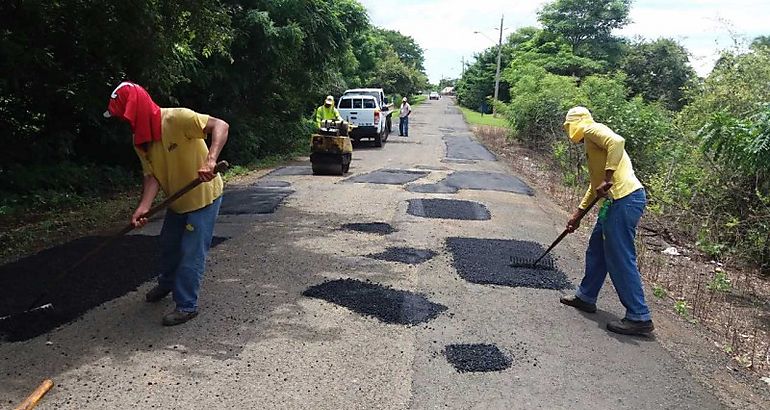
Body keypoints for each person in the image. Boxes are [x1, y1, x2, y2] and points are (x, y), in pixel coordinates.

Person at [103, 81, 229, 326]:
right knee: (169, 244)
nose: (126, 122)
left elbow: (221, 126)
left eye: (126, 116)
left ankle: (186, 305)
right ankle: (167, 283)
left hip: (203, 197)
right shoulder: (141, 141)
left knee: (191, 252)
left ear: (137, 109)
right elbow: (152, 176)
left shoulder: (177, 119)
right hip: (177, 200)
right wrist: (144, 206)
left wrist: (210, 160)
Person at [559, 106, 654, 336]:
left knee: (620, 256)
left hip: (625, 199)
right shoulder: (592, 146)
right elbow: (596, 187)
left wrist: (609, 178)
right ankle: (586, 296)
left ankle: (639, 316)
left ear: (575, 124)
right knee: (597, 249)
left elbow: (618, 142)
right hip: (613, 203)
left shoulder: (592, 129)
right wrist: (578, 215)